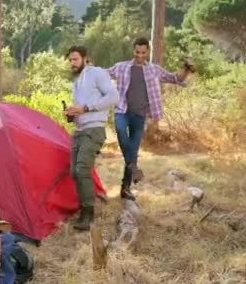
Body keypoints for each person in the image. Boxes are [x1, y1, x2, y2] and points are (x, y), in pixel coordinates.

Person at [106, 37, 193, 201]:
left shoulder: (153, 70)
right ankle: (133, 166)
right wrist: (86, 67)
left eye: (143, 53)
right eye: (137, 52)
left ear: (147, 52)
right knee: (120, 132)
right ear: (133, 51)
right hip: (122, 111)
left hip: (140, 116)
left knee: (133, 151)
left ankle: (125, 188)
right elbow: (103, 73)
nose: (139, 55)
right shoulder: (122, 67)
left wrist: (186, 70)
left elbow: (174, 78)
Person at [64, 46, 118, 231]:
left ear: (85, 58)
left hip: (94, 129)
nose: (72, 63)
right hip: (80, 130)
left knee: (82, 169)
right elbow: (80, 109)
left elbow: (113, 96)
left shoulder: (97, 73)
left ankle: (88, 214)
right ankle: (83, 209)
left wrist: (85, 108)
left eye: (75, 59)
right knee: (74, 172)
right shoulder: (77, 82)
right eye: (70, 60)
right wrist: (72, 114)